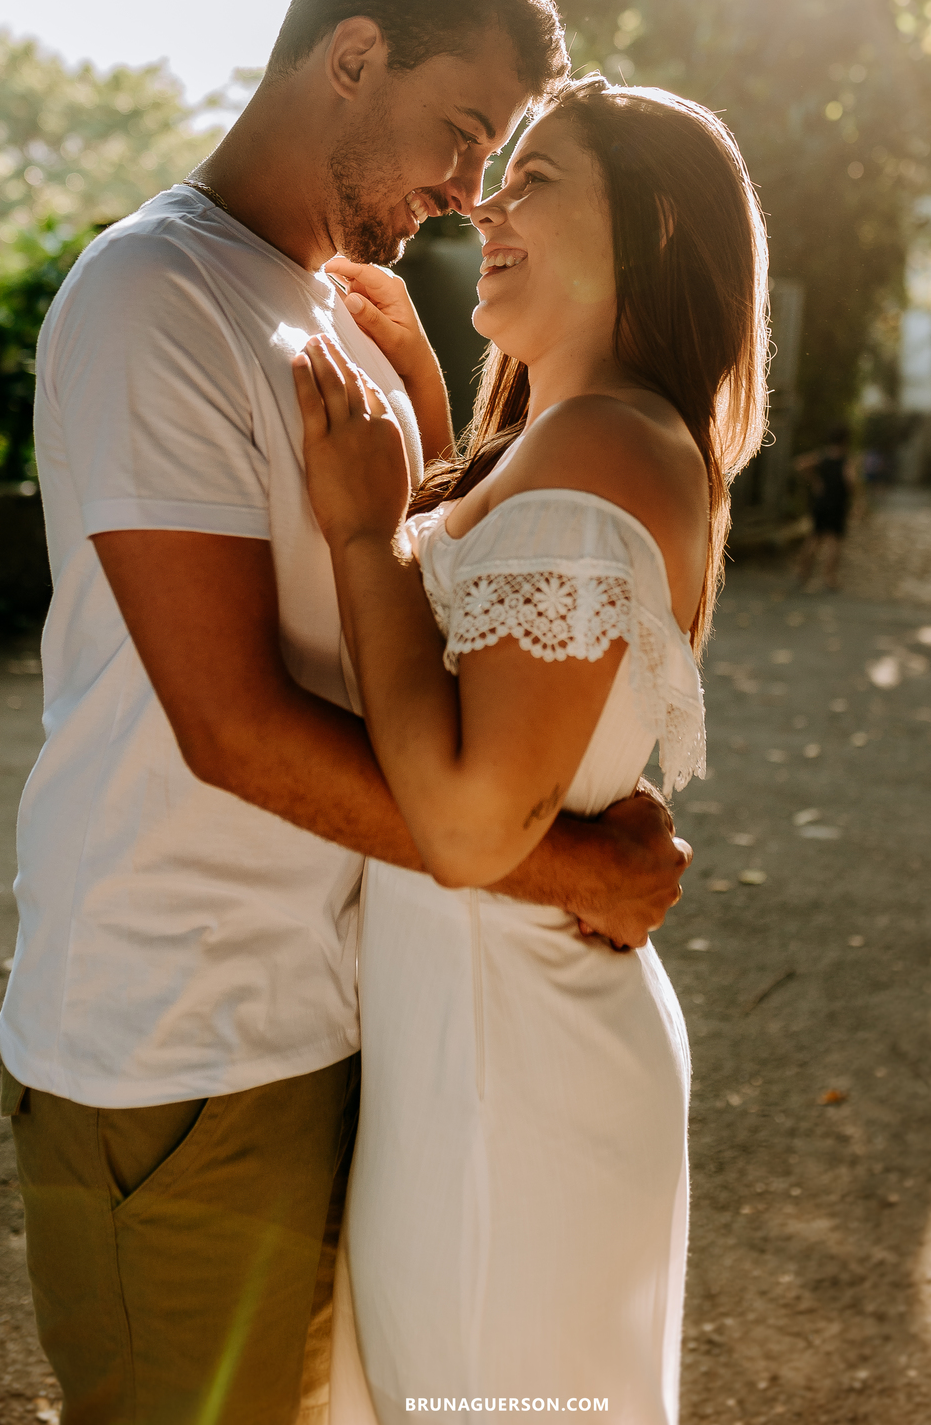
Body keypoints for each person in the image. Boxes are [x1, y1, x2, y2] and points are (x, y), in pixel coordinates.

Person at [0, 0, 690, 1425]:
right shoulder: (153, 297)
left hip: (343, 1029)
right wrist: (561, 866)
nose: (466, 193)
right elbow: (231, 725)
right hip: (175, 1046)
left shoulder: (347, 316)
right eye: (464, 132)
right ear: (355, 56)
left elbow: (411, 643)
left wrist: (433, 424)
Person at [293, 76, 768, 1421]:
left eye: (536, 181)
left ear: (653, 227)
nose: (486, 209)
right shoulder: (586, 440)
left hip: (511, 1081)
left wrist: (365, 533)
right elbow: (483, 653)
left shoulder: (607, 445)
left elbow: (463, 822)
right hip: (487, 1050)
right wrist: (425, 418)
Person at [794, 425, 856, 591]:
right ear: (845, 441)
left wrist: (815, 481)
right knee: (834, 541)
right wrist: (855, 498)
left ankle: (803, 571)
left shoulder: (822, 456)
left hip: (821, 502)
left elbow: (800, 464)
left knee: (814, 537)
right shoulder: (845, 460)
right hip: (837, 504)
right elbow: (850, 480)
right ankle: (830, 577)